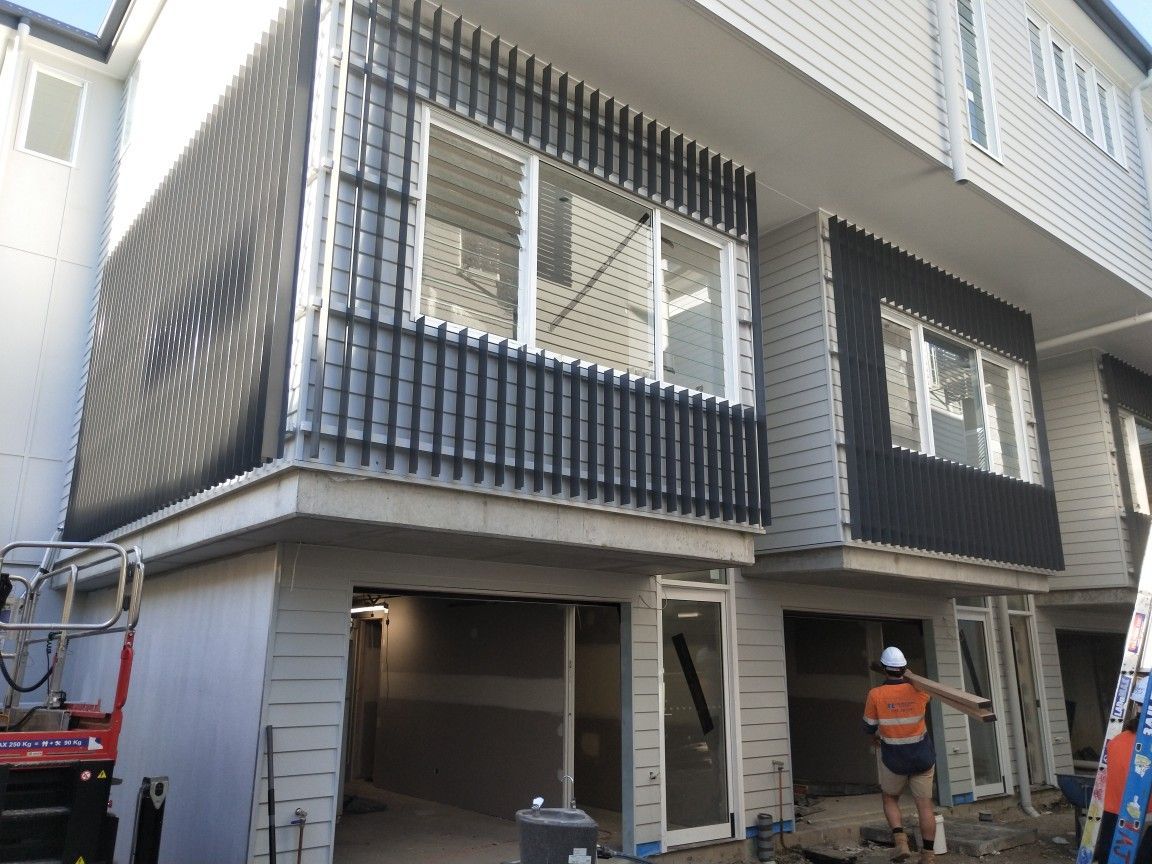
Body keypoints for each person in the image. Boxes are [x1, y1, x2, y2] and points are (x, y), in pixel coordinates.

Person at [863, 646, 937, 864]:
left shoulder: (876, 694)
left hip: (894, 759)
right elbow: (922, 690)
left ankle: (901, 842)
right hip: (922, 757)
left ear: (885, 669)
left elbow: (868, 727)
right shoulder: (920, 691)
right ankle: (928, 856)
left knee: (889, 798)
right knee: (924, 805)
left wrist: (874, 736)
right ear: (904, 668)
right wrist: (910, 675)